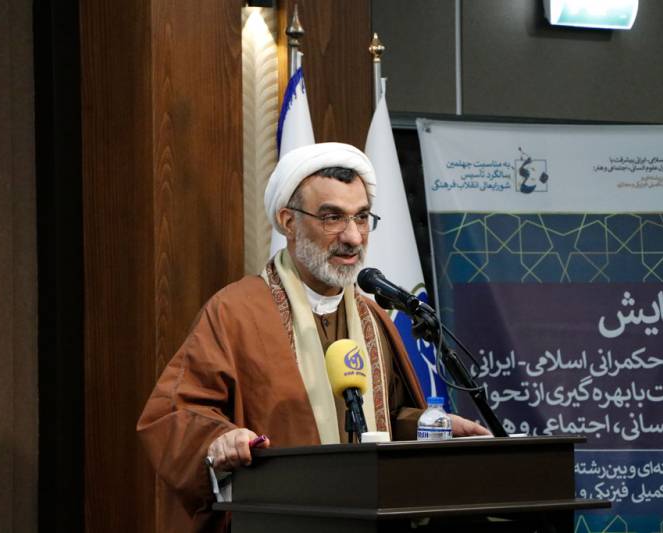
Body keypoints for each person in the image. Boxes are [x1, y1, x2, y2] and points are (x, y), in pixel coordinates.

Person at [137, 142, 490, 532]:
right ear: (288, 222)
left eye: (361, 217)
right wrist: (220, 439)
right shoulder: (235, 313)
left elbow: (382, 421)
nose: (353, 237)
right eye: (332, 217)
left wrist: (430, 426)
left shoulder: (373, 318)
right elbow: (173, 415)